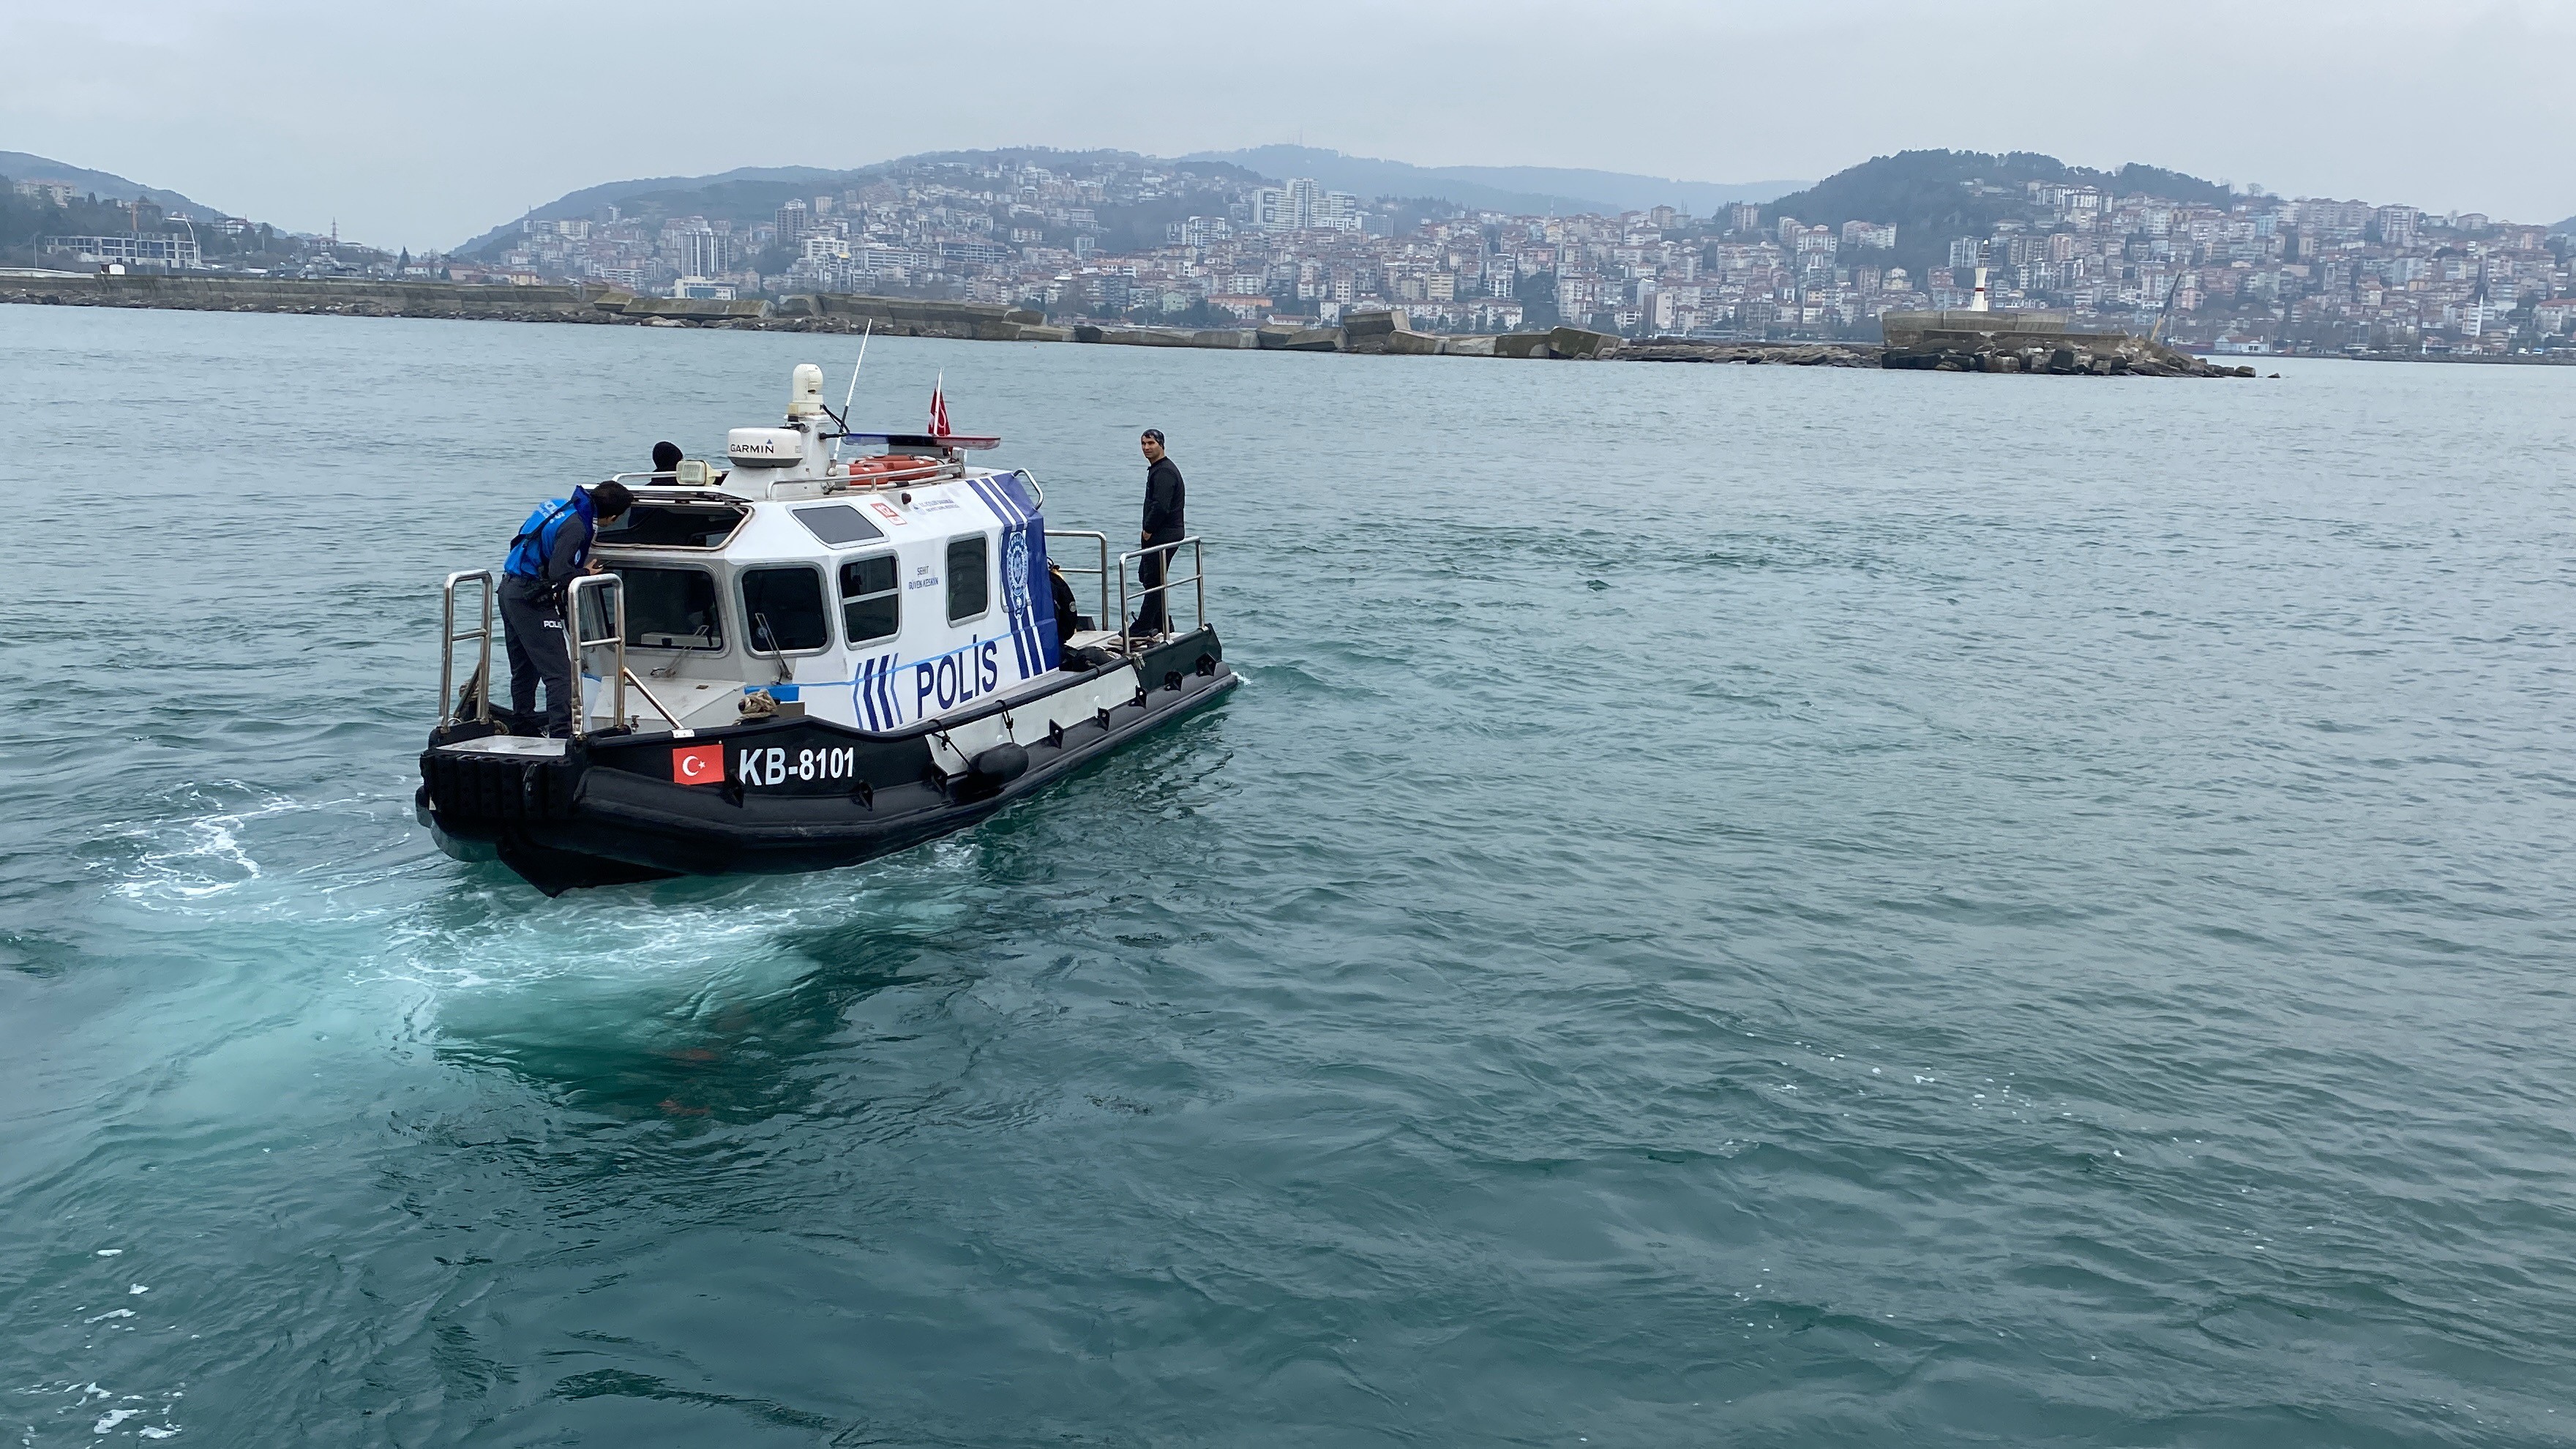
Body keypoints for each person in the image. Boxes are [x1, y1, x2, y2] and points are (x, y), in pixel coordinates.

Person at [500, 480, 633, 736]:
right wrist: (585, 572)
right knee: (560, 673)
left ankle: (523, 724)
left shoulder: (560, 506)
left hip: (509, 589)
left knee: (524, 668)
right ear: (612, 516)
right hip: (531, 598)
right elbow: (559, 572)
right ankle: (562, 735)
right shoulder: (576, 528)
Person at [1128, 428, 1186, 639]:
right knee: (1147, 574)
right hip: (1163, 532)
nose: (1146, 448)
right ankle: (1163, 622)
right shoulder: (1158, 470)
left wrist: (1148, 530)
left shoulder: (1164, 472)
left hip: (1164, 533)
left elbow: (1161, 506)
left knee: (1153, 579)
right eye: (1143, 443)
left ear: (1161, 445)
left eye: (1151, 443)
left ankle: (1143, 626)